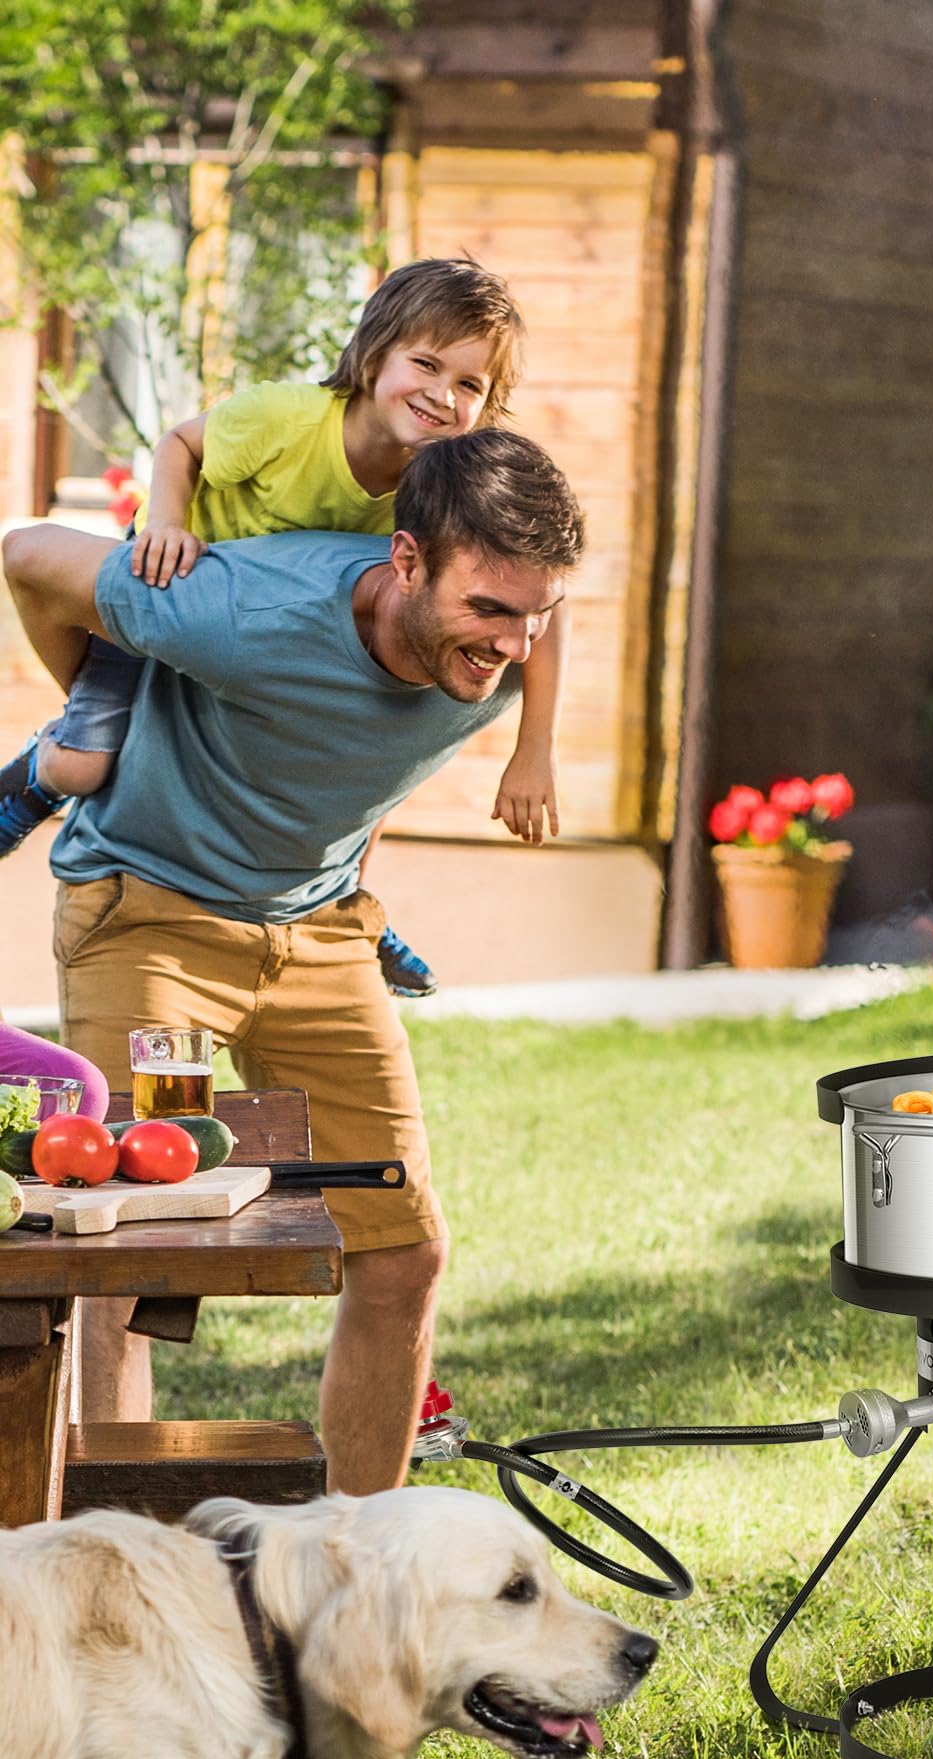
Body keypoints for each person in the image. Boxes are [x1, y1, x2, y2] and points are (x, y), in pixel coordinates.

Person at [1, 427, 584, 1494]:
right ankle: (93, 1561)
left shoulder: (508, 638)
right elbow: (31, 555)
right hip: (151, 915)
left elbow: (533, 619)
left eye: (532, 615)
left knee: (402, 1249)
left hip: (319, 931)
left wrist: (534, 741)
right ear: (406, 561)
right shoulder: (239, 608)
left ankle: (357, 1557)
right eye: (488, 611)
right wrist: (97, 711)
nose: (510, 643)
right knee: (122, 1251)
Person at [0, 257, 569, 998]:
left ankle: (347, 909)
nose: (441, 395)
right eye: (425, 364)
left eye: (469, 385)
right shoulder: (287, 420)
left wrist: (534, 751)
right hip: (183, 595)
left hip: (283, 650)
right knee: (88, 764)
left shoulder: (434, 491)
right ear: (371, 357)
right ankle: (35, 775)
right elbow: (180, 444)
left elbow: (542, 592)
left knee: (368, 779)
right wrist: (165, 528)